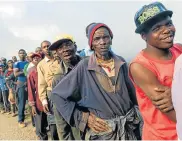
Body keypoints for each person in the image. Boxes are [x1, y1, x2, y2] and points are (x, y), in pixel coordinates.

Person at [51, 23, 143, 140]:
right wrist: (84, 118)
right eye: (97, 39)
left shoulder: (121, 62)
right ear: (91, 44)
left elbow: (133, 93)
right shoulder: (84, 66)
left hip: (129, 127)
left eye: (106, 37)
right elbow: (57, 95)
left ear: (111, 39)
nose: (102, 42)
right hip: (104, 133)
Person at [129, 2, 182, 140]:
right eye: (157, 28)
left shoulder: (179, 50)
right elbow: (172, 112)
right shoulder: (140, 66)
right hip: (163, 136)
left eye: (168, 23)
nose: (166, 30)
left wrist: (176, 95)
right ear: (143, 36)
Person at [49, 34, 82, 140]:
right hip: (79, 127)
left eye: (68, 45)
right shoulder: (58, 78)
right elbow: (60, 114)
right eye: (60, 48)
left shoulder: (90, 64)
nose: (65, 50)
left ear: (75, 47)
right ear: (57, 53)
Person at [37, 40, 59, 140]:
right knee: (53, 124)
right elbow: (41, 84)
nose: (47, 48)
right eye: (44, 47)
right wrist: (44, 101)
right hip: (51, 94)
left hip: (65, 93)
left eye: (48, 46)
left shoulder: (59, 59)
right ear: (42, 50)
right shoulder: (41, 65)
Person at [27, 53, 48, 140]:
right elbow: (30, 89)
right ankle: (41, 137)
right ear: (32, 61)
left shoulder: (47, 69)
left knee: (51, 123)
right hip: (38, 101)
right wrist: (32, 105)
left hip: (49, 98)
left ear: (41, 59)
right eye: (33, 58)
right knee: (40, 123)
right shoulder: (32, 72)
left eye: (37, 57)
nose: (35, 58)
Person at [14, 49, 28, 128]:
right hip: (21, 84)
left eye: (23, 53)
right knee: (21, 103)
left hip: (29, 83)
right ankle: (21, 120)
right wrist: (25, 71)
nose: (22, 54)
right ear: (18, 55)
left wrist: (22, 71)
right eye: (20, 53)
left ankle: (34, 122)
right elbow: (16, 74)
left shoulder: (28, 62)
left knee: (31, 102)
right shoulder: (16, 63)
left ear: (25, 54)